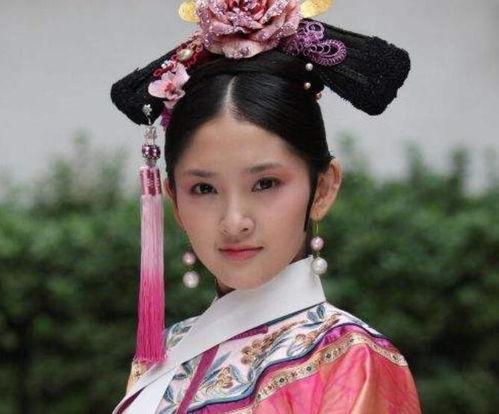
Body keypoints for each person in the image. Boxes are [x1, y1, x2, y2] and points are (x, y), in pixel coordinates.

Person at [110, 1, 422, 413]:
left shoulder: (351, 359)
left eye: (265, 183)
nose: (234, 222)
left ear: (322, 188)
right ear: (175, 201)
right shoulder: (165, 351)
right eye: (203, 188)